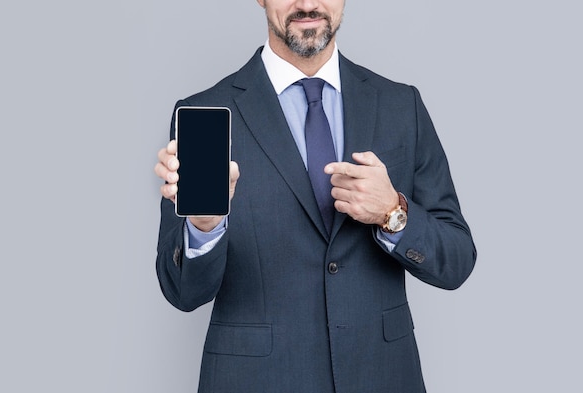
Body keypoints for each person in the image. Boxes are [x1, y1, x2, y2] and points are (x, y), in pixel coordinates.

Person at [154, 0, 476, 392]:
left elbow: (457, 262)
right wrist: (205, 226)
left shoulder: (400, 105)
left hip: (382, 376)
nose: (307, 4)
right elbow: (183, 293)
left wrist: (393, 213)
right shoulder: (206, 111)